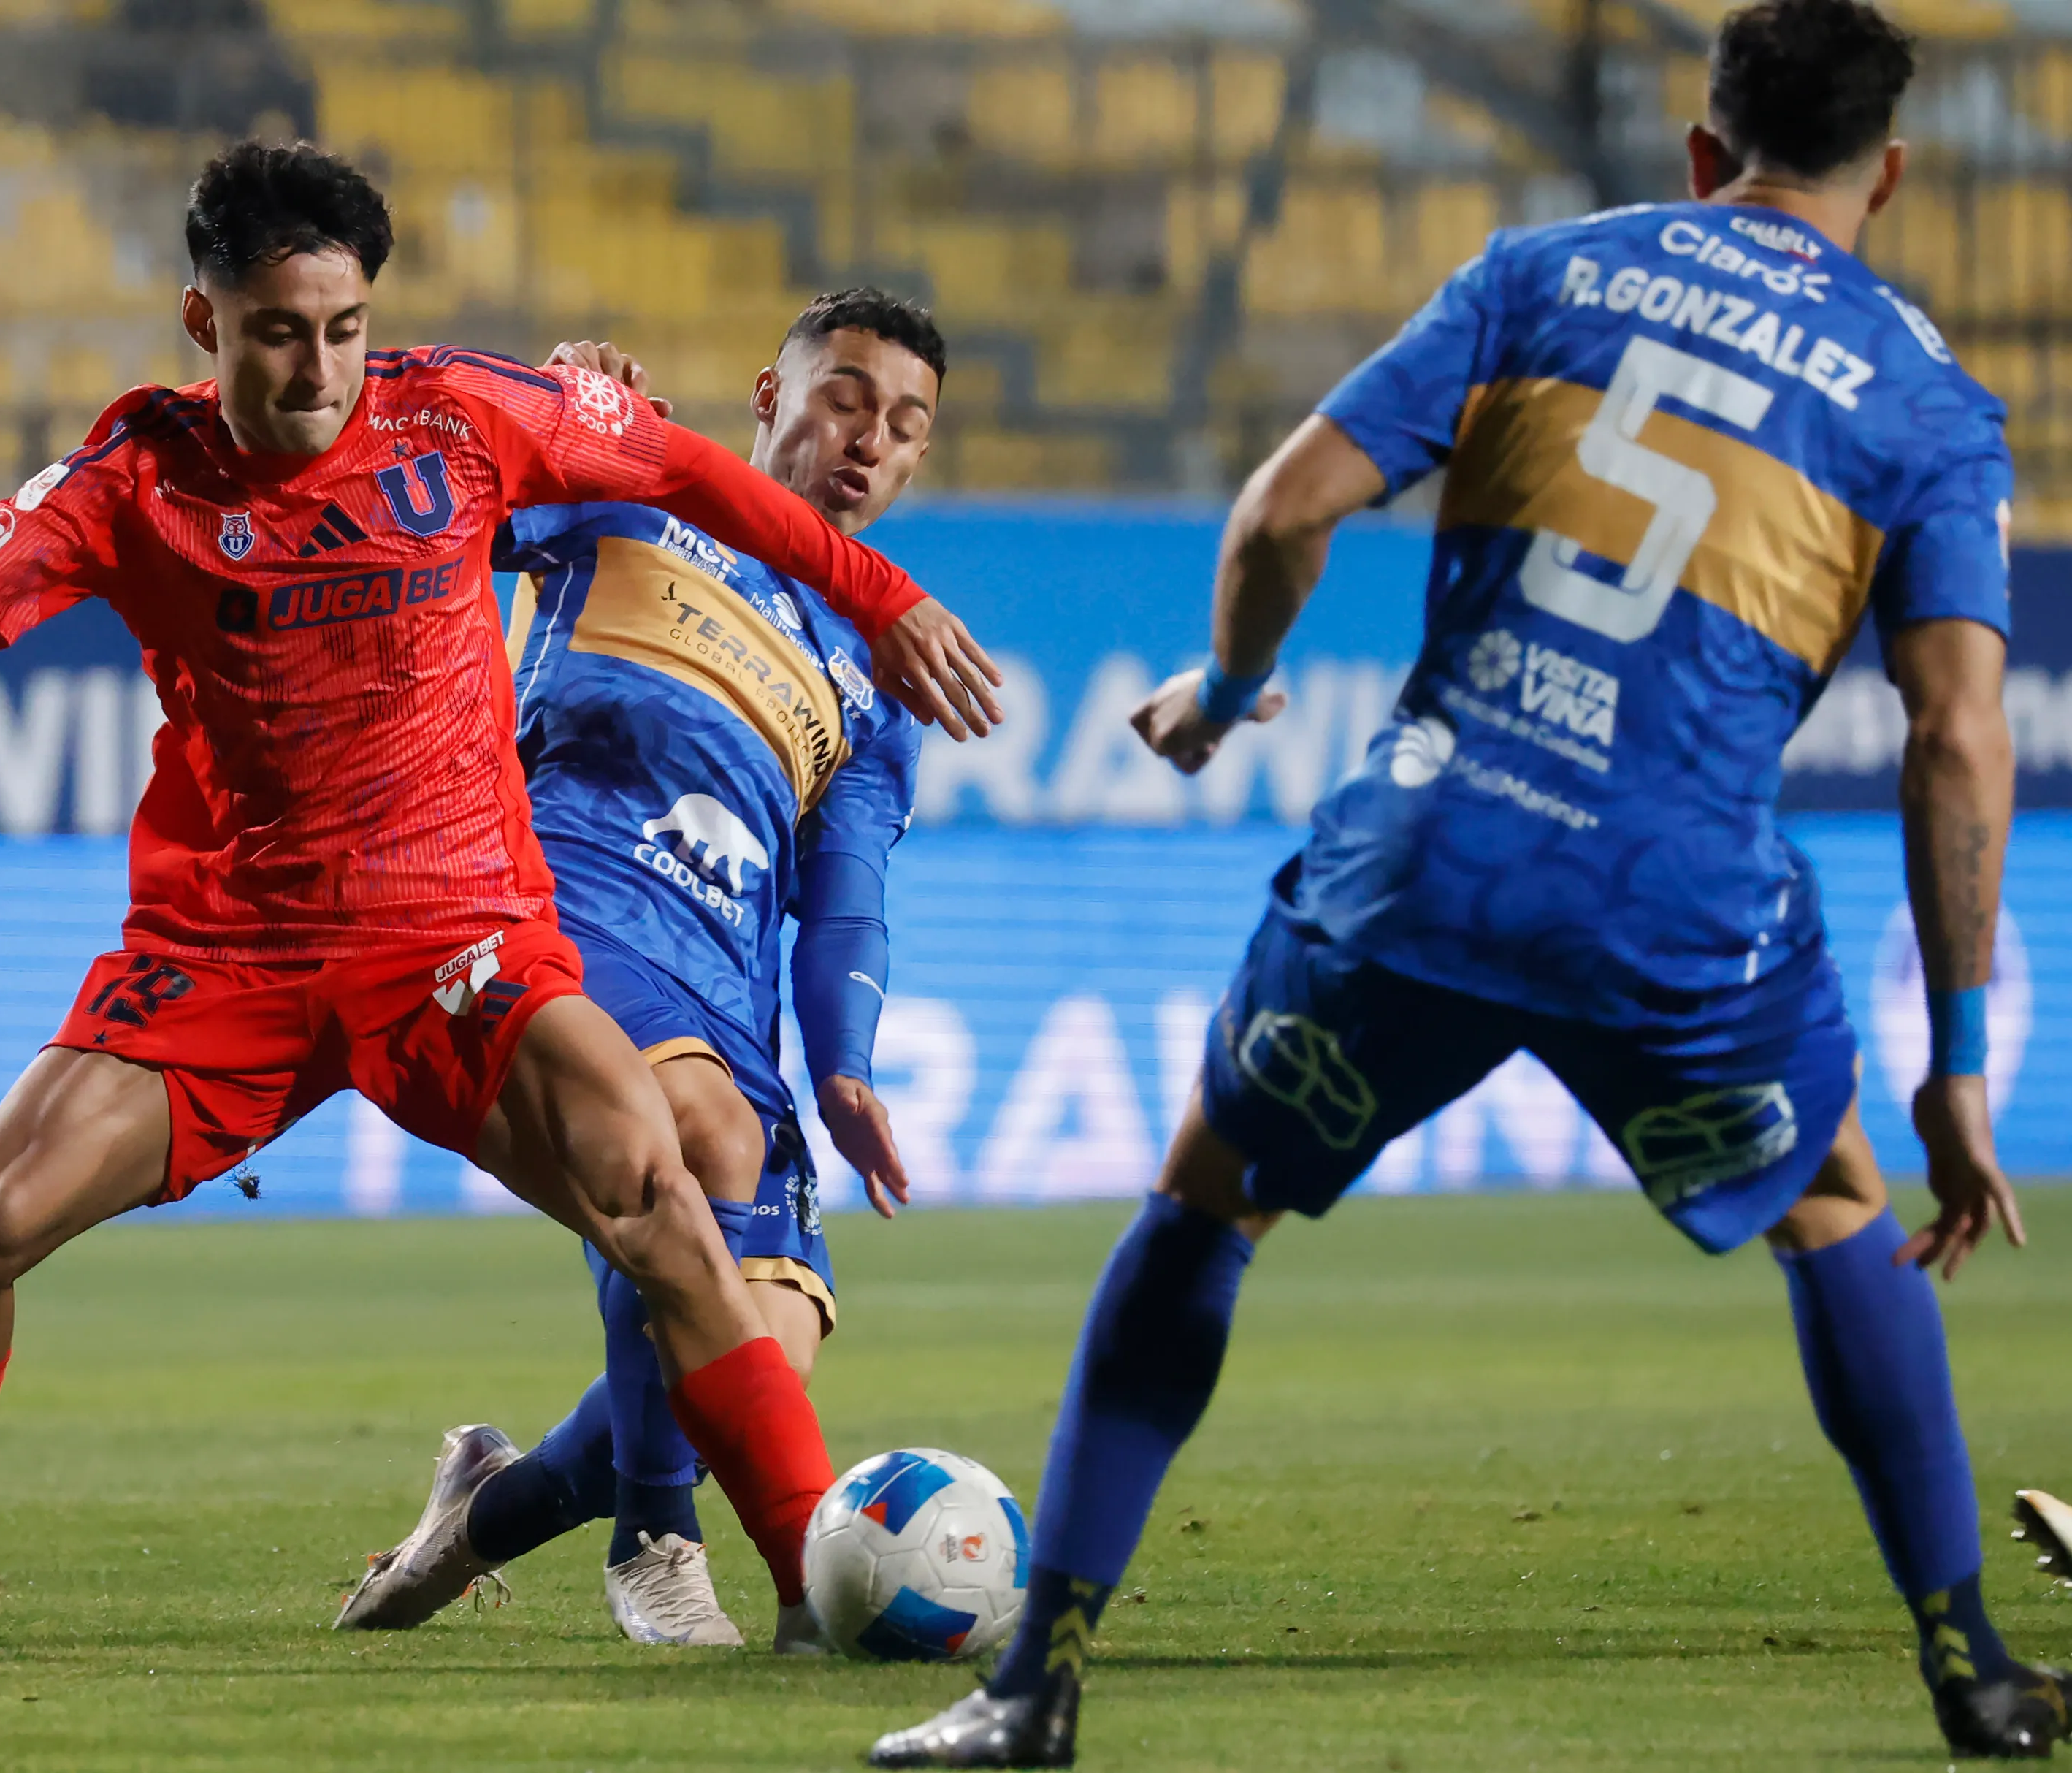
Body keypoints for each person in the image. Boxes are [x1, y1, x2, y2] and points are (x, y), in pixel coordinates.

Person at [871, 0, 2063, 1763]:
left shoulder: (1544, 275)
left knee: (1207, 1199)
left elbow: (1284, 511)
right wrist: (1959, 1060)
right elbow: (1960, 733)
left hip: (1433, 848)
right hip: (1681, 904)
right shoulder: (1928, 404)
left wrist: (1215, 693)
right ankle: (1975, 1667)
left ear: (1700, 148)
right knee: (1835, 1213)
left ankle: (1032, 1686)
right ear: (1887, 174)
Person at [0, 139, 1006, 1650]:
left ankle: (803, 1590)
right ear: (208, 324)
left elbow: (688, 467)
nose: (317, 370)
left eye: (343, 328)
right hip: (234, 946)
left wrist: (883, 597)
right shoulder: (138, 476)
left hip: (459, 932)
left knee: (659, 1195)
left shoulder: (459, 414)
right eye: (278, 333)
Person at [333, 291, 941, 1650]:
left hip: (730, 997)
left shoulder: (876, 677)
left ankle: (480, 1512)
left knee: (742, 1358)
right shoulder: (623, 490)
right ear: (768, 396)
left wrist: (840, 1060)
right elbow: (448, 498)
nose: (868, 439)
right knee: (688, 1138)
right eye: (843, 395)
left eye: (904, 426)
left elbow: (844, 901)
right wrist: (556, 405)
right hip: (559, 903)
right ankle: (658, 1545)